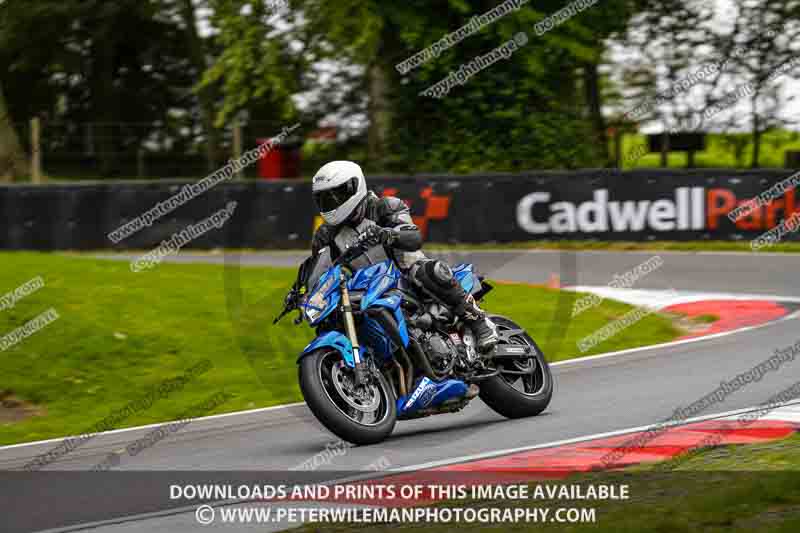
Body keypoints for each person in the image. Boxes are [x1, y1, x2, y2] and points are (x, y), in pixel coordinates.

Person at [309, 160, 498, 352]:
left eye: (336, 195)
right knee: (332, 315)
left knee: (425, 270)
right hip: (366, 287)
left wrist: (387, 234)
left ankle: (480, 323)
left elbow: (413, 237)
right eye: (324, 199)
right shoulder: (325, 235)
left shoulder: (385, 206)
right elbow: (316, 268)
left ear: (354, 187)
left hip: (404, 277)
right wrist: (301, 291)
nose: (331, 203)